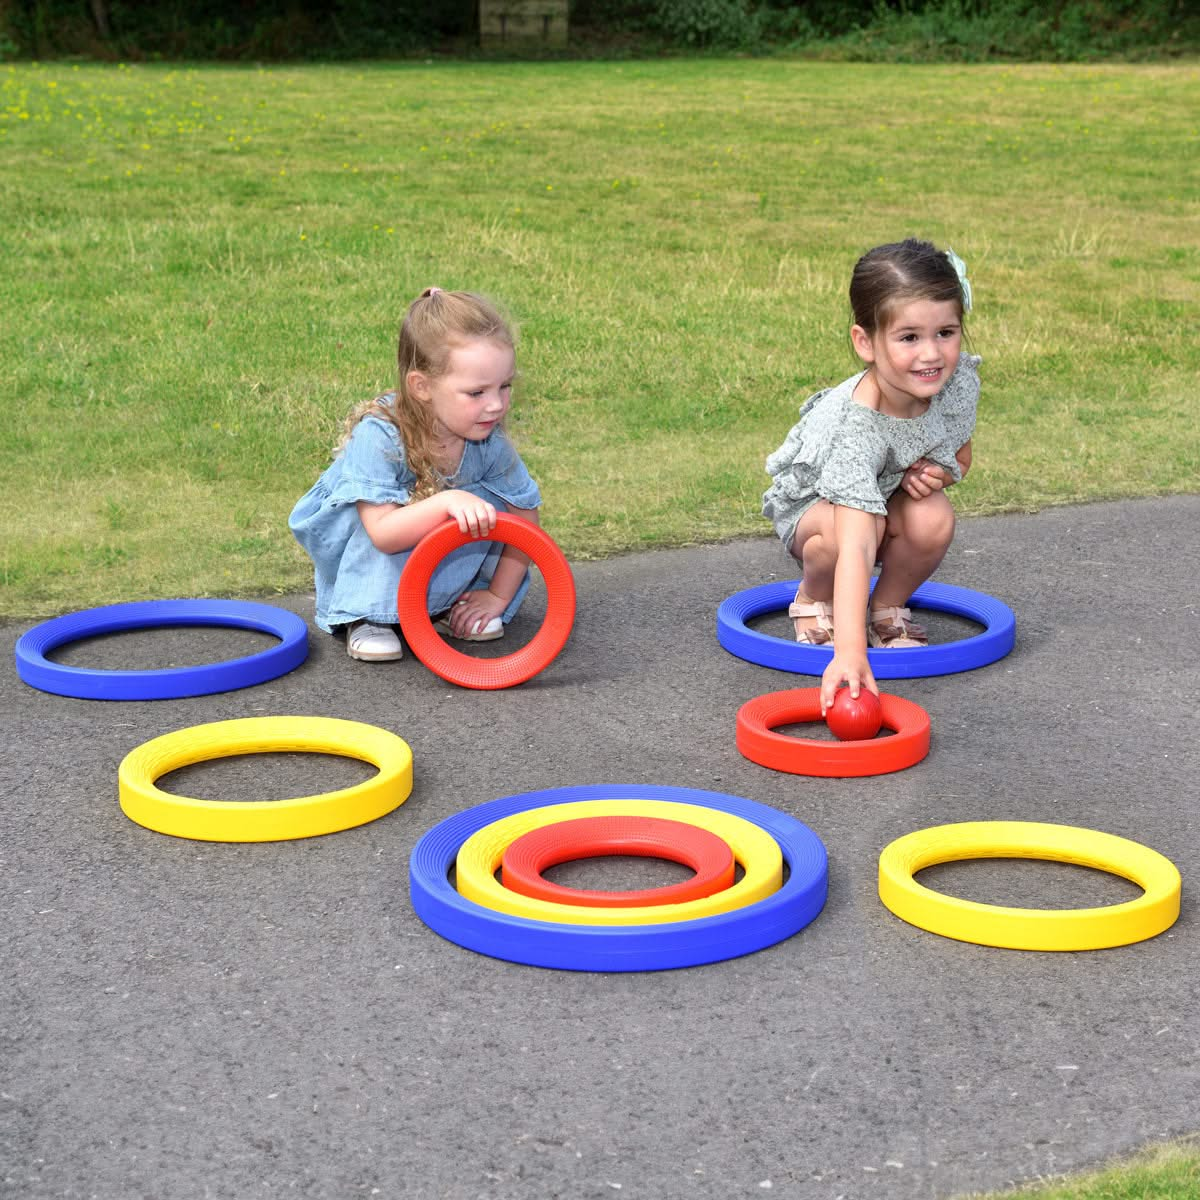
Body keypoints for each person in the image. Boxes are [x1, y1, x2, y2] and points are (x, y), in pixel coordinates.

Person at [762, 238, 979, 714]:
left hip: (885, 494)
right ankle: (816, 600)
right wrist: (849, 655)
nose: (932, 354)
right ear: (866, 342)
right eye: (909, 338)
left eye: (946, 332)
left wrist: (938, 475)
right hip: (814, 510)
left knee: (934, 516)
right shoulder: (855, 426)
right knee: (855, 533)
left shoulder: (957, 381)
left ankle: (886, 607)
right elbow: (859, 541)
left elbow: (960, 456)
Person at [289, 288, 542, 662]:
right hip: (375, 544)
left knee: (488, 503)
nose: (495, 404)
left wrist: (498, 597)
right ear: (422, 386)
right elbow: (385, 534)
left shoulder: (487, 438)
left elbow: (525, 518)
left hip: (434, 561)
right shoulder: (380, 436)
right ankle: (368, 615)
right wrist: (446, 501)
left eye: (504, 387)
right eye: (476, 392)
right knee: (412, 511)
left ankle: (446, 605)